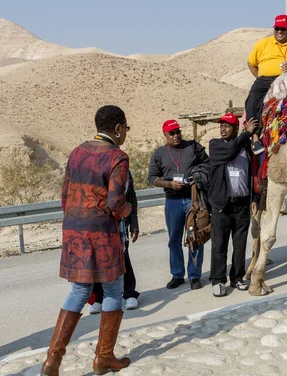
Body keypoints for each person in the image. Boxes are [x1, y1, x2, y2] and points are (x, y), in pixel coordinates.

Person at [41, 105, 132, 375]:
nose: (125, 133)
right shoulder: (117, 156)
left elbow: (65, 195)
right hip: (102, 233)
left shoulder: (77, 152)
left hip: (74, 229)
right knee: (114, 291)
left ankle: (52, 361)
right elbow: (116, 201)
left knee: (78, 291)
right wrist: (127, 211)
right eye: (125, 128)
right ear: (117, 129)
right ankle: (104, 357)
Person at [148, 120, 210, 291]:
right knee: (174, 239)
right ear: (165, 135)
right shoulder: (159, 154)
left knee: (194, 237)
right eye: (172, 133)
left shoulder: (193, 147)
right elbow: (152, 178)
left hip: (193, 202)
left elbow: (208, 164)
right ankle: (177, 275)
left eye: (178, 132)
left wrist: (198, 176)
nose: (176, 136)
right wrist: (169, 185)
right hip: (173, 203)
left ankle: (194, 275)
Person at [208, 114, 260, 297]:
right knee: (219, 245)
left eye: (227, 126)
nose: (223, 129)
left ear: (235, 128)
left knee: (240, 245)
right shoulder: (215, 145)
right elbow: (230, 151)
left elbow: (253, 172)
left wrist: (255, 198)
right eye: (221, 126)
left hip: (242, 204)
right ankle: (218, 280)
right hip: (222, 205)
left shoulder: (245, 147)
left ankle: (237, 278)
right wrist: (247, 133)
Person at [246, 14, 287, 155]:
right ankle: (254, 137)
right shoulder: (263, 43)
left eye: (283, 29)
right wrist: (260, 77)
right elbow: (251, 63)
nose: (279, 32)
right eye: (277, 28)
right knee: (253, 98)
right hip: (265, 79)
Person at [89, 170, 140, 313]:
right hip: (97, 222)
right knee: (98, 260)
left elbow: (131, 197)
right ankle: (98, 297)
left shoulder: (124, 169)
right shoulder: (95, 168)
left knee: (123, 257)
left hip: (120, 223)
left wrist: (134, 223)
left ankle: (129, 293)